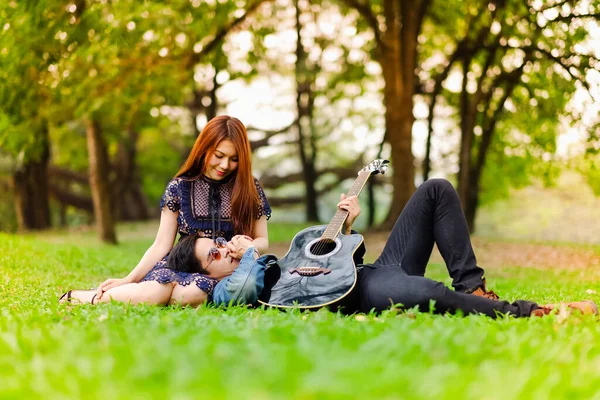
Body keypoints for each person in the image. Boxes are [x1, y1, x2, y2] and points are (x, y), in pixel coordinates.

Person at [167, 179, 598, 318]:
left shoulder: (269, 258)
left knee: (435, 190)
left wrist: (345, 226)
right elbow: (234, 289)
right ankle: (529, 311)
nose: (225, 249)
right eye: (214, 254)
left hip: (372, 270)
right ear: (206, 273)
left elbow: (329, 252)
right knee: (428, 293)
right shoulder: (221, 292)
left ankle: (475, 287)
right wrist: (249, 255)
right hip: (359, 295)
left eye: (220, 243)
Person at [59, 115, 271, 307]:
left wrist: (247, 247)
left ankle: (170, 295)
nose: (225, 165)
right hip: (184, 264)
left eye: (234, 159)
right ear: (205, 148)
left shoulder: (250, 189)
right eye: (219, 155)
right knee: (156, 291)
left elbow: (262, 239)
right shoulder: (179, 188)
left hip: (229, 269)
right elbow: (162, 244)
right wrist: (129, 278)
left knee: (191, 294)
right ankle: (85, 297)